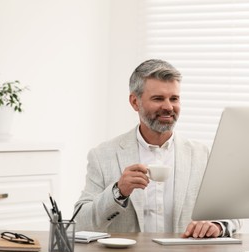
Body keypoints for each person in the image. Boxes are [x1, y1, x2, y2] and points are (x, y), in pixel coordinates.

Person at [74, 59, 240, 238]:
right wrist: (118, 192)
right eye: (158, 99)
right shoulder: (103, 155)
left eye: (174, 98)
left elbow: (233, 215)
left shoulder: (202, 155)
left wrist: (217, 225)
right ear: (135, 102)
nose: (168, 107)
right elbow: (80, 222)